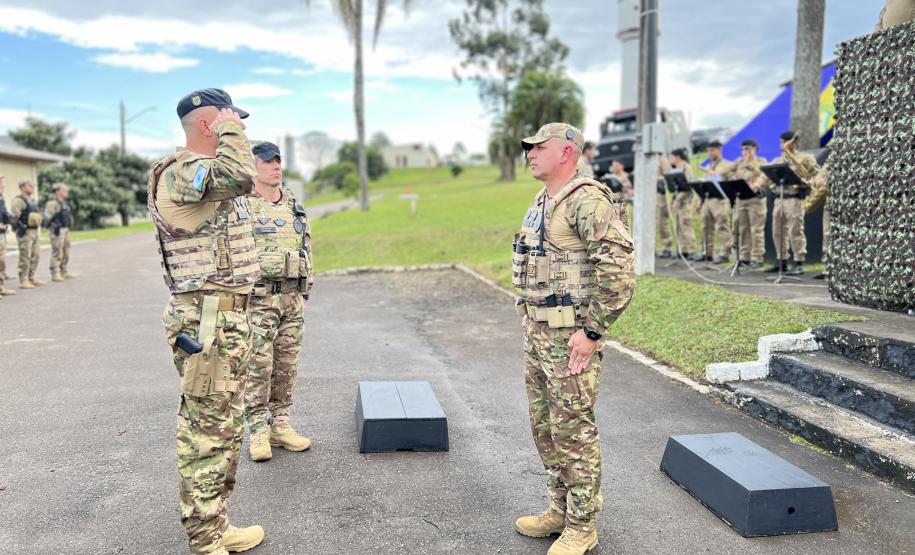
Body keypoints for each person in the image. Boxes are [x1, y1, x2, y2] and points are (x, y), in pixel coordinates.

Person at [149, 88, 265, 555]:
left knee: (225, 426)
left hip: (224, 318)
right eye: (232, 120)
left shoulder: (205, 177)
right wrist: (231, 129)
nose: (241, 128)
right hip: (206, 320)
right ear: (206, 124)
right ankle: (205, 538)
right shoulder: (183, 172)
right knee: (205, 431)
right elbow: (241, 174)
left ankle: (217, 526)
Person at [512, 123, 635, 555]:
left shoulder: (588, 201)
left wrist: (592, 333)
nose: (529, 153)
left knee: (574, 430)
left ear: (566, 152)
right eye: (528, 148)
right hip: (538, 332)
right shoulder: (543, 201)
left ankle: (583, 525)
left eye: (538, 147)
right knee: (545, 425)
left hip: (571, 340)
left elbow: (618, 275)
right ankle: (559, 510)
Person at [244, 141, 314, 462]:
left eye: (278, 161)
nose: (276, 166)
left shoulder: (293, 205)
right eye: (268, 162)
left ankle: (281, 424)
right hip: (258, 300)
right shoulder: (244, 206)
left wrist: (305, 290)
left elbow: (306, 248)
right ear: (253, 166)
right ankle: (258, 429)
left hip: (291, 300)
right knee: (259, 365)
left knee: (286, 364)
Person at [754, 131, 820, 275]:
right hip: (779, 198)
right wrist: (757, 185)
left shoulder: (806, 158)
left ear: (794, 142)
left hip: (795, 198)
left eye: (784, 142)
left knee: (795, 230)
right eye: (781, 142)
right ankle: (781, 261)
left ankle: (798, 262)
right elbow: (765, 177)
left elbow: (818, 175)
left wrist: (808, 183)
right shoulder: (779, 160)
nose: (782, 145)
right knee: (778, 231)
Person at [733, 140, 768, 269]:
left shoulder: (761, 161)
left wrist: (757, 184)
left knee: (756, 230)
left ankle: (757, 258)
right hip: (742, 199)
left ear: (754, 149)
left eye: (747, 149)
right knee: (743, 229)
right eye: (743, 149)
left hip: (756, 200)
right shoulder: (740, 164)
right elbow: (737, 175)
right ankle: (744, 257)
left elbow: (763, 175)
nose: (745, 152)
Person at [700, 140, 734, 263]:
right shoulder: (708, 166)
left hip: (721, 200)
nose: (710, 153)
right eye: (708, 150)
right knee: (706, 226)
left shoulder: (727, 165)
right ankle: (707, 252)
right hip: (708, 199)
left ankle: (725, 252)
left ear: (719, 150)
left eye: (712, 150)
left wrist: (717, 176)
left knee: (722, 226)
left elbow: (732, 181)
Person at [9, 180, 44, 289]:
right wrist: (18, 229)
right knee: (25, 256)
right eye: (30, 185)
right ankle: (23, 280)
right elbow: (14, 217)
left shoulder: (32, 201)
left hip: (34, 231)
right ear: (22, 187)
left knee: (35, 255)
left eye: (33, 185)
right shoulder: (19, 201)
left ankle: (31, 278)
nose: (32, 187)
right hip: (25, 232)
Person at [669, 149, 699, 260]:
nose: (671, 159)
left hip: (686, 201)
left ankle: (692, 250)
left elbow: (689, 186)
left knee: (686, 225)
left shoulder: (687, 168)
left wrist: (678, 199)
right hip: (677, 200)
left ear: (678, 157)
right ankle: (683, 250)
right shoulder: (675, 169)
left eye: (672, 157)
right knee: (678, 226)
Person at [45, 182, 76, 282]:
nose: (67, 192)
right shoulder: (52, 203)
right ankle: (55, 274)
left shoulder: (64, 203)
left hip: (65, 229)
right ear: (58, 192)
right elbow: (46, 217)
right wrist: (50, 228)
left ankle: (64, 271)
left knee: (66, 251)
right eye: (64, 190)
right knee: (57, 251)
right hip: (57, 230)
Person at [804, 162, 829, 280]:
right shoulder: (832, 158)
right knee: (827, 235)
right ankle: (827, 269)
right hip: (830, 201)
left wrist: (830, 181)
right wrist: (817, 180)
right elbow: (823, 171)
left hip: (846, 201)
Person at [0, 176, 16, 297]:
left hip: (1, 233)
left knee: (1, 262)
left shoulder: (1, 198)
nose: (3, 185)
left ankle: (0, 287)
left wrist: (10, 220)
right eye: (1, 183)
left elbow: (5, 214)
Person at [656, 154, 674, 258]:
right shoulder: (644, 158)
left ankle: (667, 247)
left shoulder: (662, 160)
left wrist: (655, 178)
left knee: (662, 221)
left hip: (660, 194)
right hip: (648, 195)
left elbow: (668, 176)